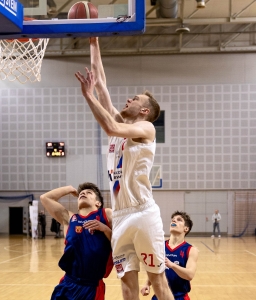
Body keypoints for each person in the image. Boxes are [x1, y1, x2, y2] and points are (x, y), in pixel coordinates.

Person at [74, 37, 173, 300]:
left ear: (143, 110)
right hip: (119, 217)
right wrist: (93, 41)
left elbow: (110, 127)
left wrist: (87, 95)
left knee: (158, 282)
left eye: (135, 98)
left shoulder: (146, 128)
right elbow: (102, 83)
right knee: (127, 286)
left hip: (142, 213)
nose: (127, 99)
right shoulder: (120, 122)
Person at [40, 182, 113, 300]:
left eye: (89, 193)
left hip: (92, 287)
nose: (84, 193)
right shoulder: (70, 219)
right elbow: (45, 198)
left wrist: (105, 229)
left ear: (98, 203)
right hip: (68, 284)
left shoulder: (106, 214)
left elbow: (122, 242)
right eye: (81, 193)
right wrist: (68, 189)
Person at [141, 211, 198, 300]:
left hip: (180, 297)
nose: (174, 221)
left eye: (179, 220)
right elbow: (154, 269)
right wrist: (147, 284)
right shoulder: (160, 246)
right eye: (173, 220)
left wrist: (172, 265)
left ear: (186, 229)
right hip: (159, 295)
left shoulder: (191, 250)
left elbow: (190, 275)